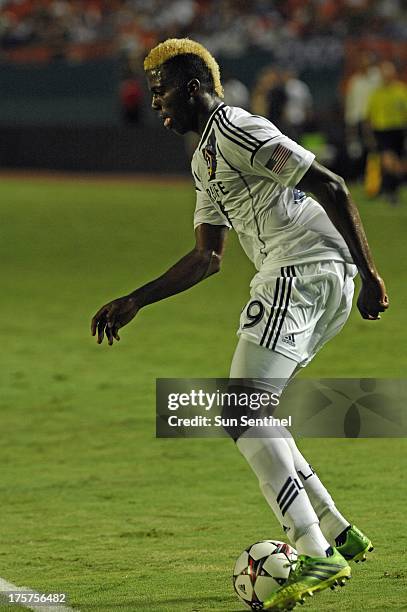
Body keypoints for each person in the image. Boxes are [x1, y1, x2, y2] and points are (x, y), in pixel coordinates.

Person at [91, 39, 389, 611]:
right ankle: (337, 531)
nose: (156, 102)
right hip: (311, 277)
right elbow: (208, 256)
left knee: (240, 409)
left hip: (302, 269)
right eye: (152, 92)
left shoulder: (236, 130)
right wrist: (137, 299)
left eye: (163, 90)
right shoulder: (204, 155)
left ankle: (312, 545)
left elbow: (330, 184)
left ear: (196, 88)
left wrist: (371, 273)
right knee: (258, 410)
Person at [366, 60, 407, 205]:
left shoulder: (401, 90)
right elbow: (370, 114)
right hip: (382, 130)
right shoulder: (376, 93)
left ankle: (391, 189)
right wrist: (370, 132)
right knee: (387, 160)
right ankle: (390, 191)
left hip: (399, 129)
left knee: (398, 164)